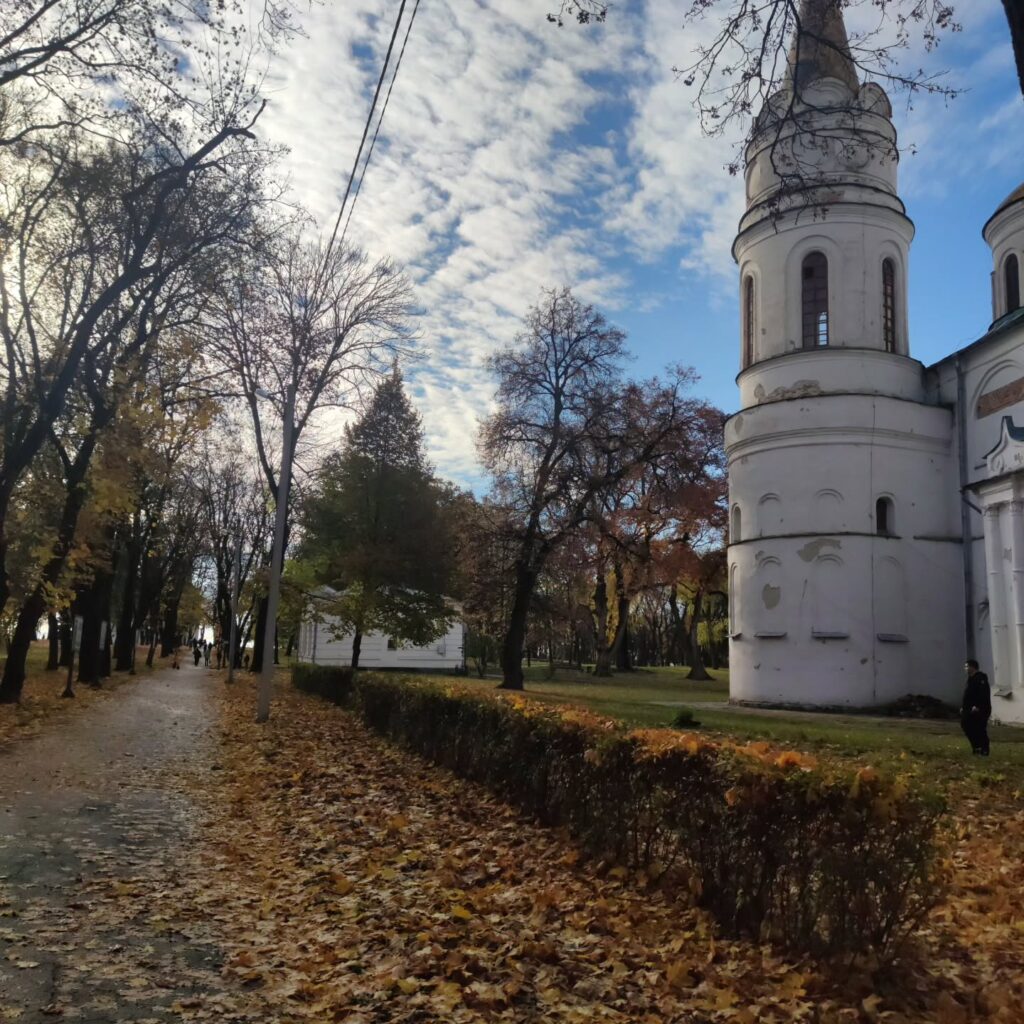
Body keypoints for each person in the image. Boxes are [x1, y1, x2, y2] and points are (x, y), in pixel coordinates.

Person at [960, 659, 992, 756]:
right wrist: (963, 707)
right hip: (969, 708)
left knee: (980, 728)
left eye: (967, 666)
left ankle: (984, 749)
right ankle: (976, 746)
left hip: (981, 709)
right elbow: (968, 695)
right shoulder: (971, 679)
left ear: (972, 667)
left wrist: (978, 706)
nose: (965, 669)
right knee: (966, 725)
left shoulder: (981, 678)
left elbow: (983, 694)